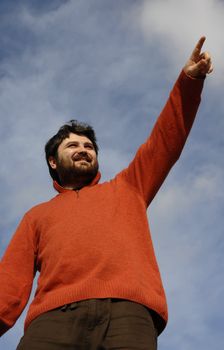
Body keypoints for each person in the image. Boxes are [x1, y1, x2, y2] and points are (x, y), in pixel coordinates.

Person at [0, 37, 213, 349]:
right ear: (52, 161)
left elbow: (165, 140)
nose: (83, 150)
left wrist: (190, 81)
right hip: (52, 323)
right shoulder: (36, 217)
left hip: (127, 316)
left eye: (89, 146)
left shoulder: (129, 187)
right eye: (72, 145)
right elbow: (9, 284)